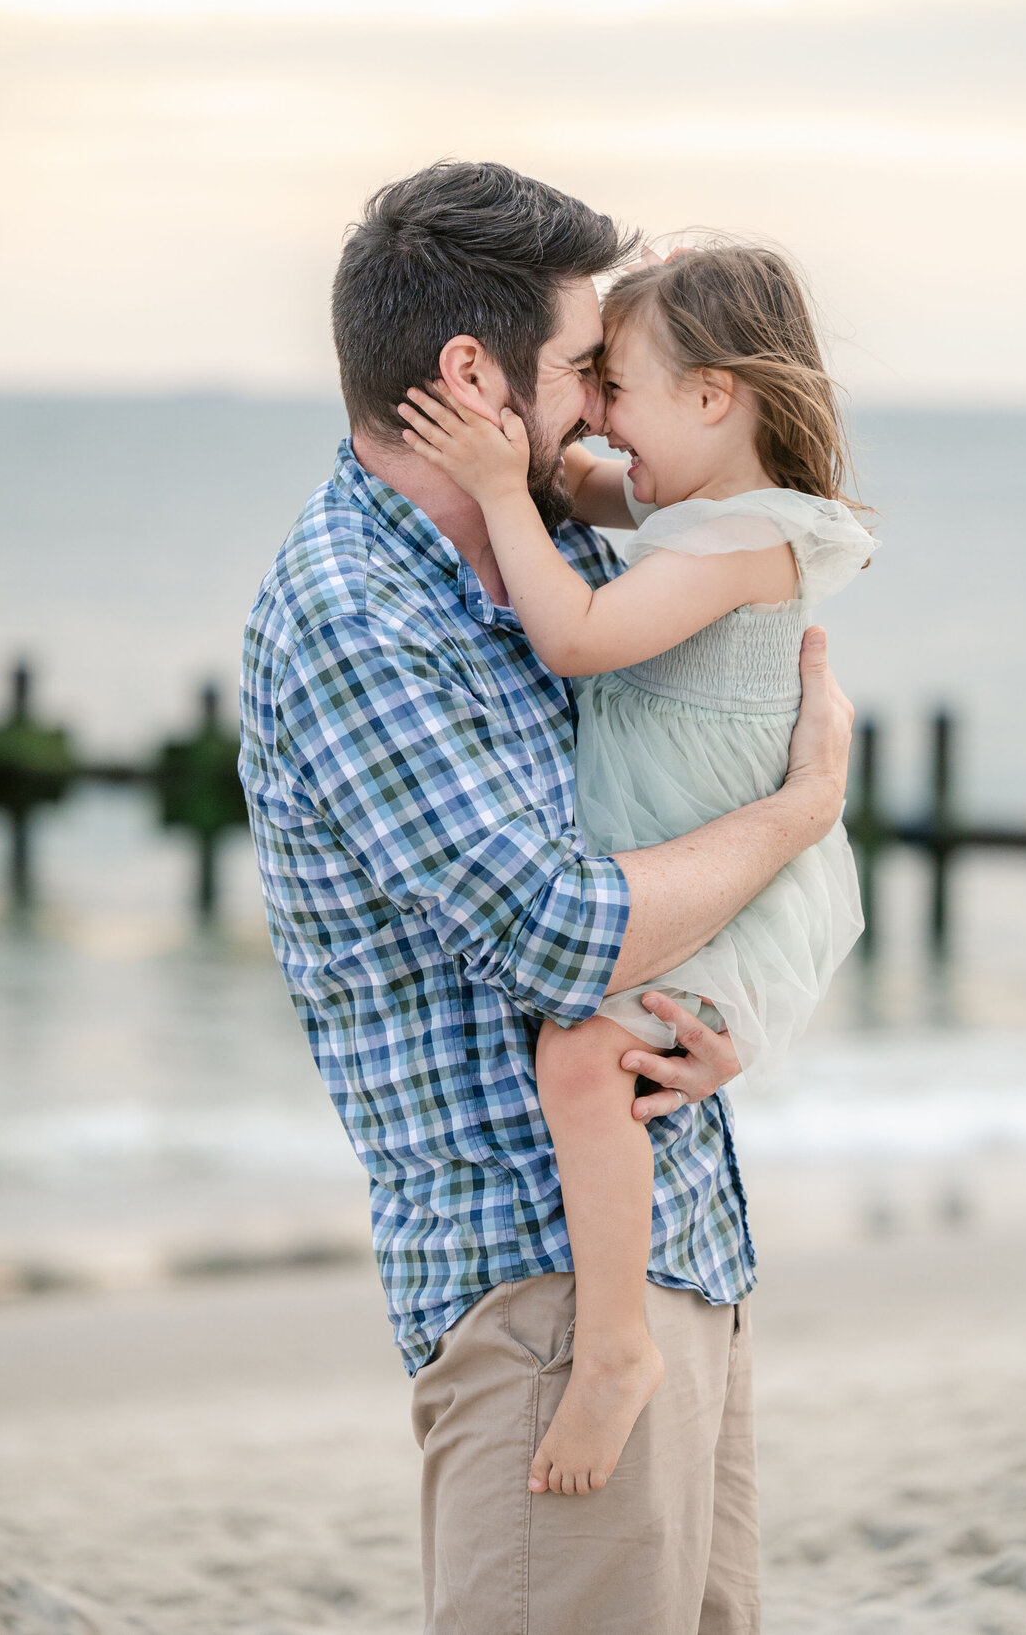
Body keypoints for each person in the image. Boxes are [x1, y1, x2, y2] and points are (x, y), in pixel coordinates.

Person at [239, 162, 855, 1635]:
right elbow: (562, 931)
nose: (597, 406)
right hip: (537, 1300)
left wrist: (746, 987)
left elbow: (730, 704)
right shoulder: (356, 616)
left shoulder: (551, 541)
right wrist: (802, 813)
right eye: (583, 365)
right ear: (473, 374)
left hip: (681, 1240)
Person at [396, 240, 878, 1500]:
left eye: (617, 386)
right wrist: (532, 463)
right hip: (695, 840)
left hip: (724, 865)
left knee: (580, 1057)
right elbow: (582, 496)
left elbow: (575, 636)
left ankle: (612, 1347)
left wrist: (502, 493)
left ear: (713, 398)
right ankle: (620, 1334)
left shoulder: (747, 539)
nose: (599, 419)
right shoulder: (699, 511)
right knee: (609, 1058)